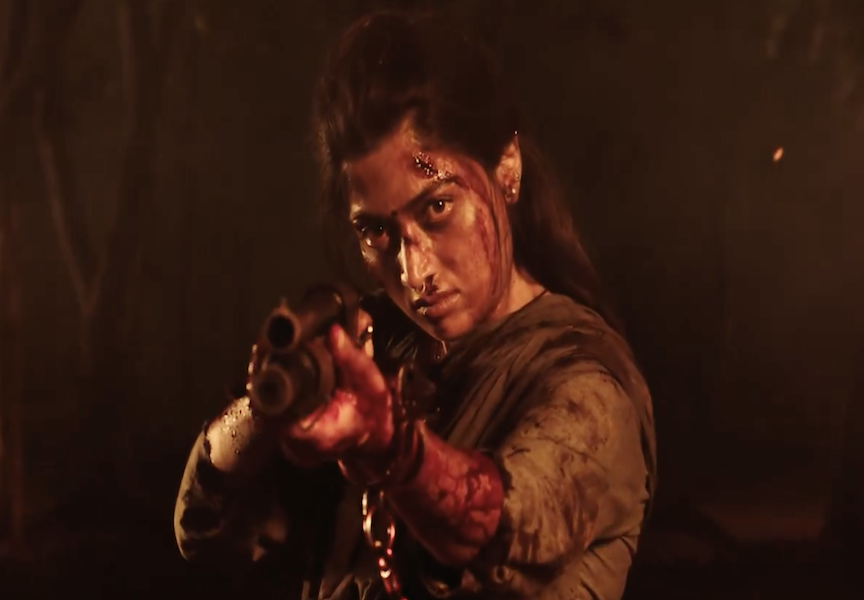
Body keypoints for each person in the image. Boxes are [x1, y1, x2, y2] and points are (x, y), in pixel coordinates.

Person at [173, 9, 657, 600]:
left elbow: (492, 530)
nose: (413, 270)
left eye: (437, 208)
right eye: (377, 232)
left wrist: (388, 448)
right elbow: (202, 530)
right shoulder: (380, 347)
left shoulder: (585, 383)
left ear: (507, 169)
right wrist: (269, 406)